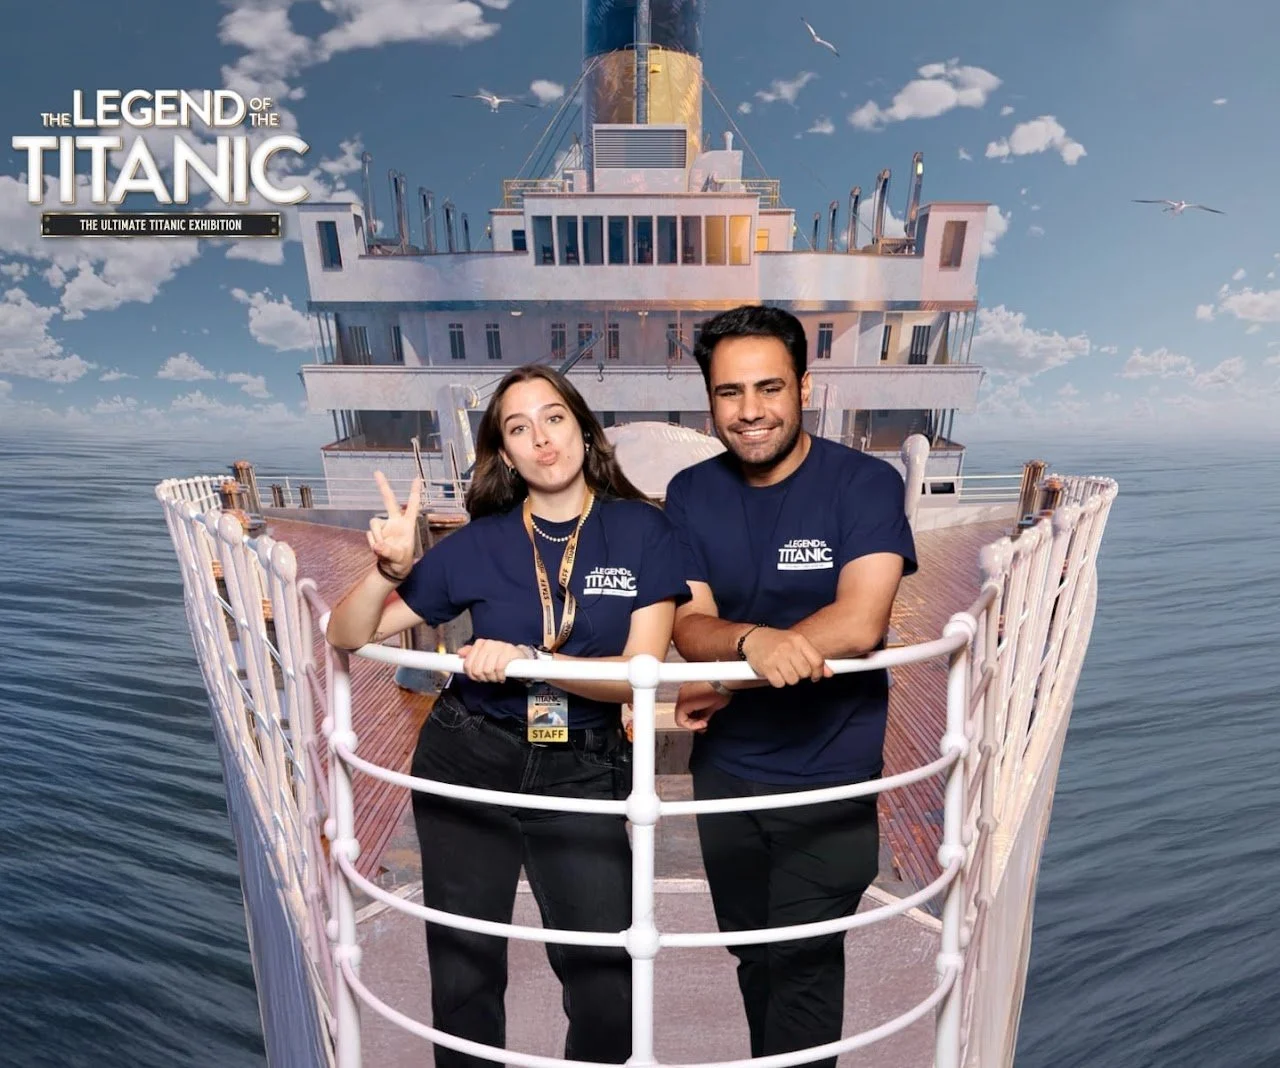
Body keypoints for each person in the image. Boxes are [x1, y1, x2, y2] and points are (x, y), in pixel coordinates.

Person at [325, 364, 690, 1068]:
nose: (541, 439)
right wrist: (387, 571)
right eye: (518, 428)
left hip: (582, 766)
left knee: (605, 986)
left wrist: (529, 660)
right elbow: (346, 634)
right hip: (469, 754)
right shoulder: (478, 542)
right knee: (465, 977)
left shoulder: (643, 531)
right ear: (504, 453)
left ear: (583, 429)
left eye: (553, 418)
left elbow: (639, 676)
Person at [662, 305, 918, 1068]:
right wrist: (751, 642)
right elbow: (691, 627)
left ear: (804, 386)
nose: (750, 412)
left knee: (803, 965)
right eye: (729, 392)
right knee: (754, 956)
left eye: (769, 388)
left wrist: (737, 681)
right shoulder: (689, 492)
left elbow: (861, 619)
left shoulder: (864, 484)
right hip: (728, 778)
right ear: (709, 400)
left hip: (828, 774)